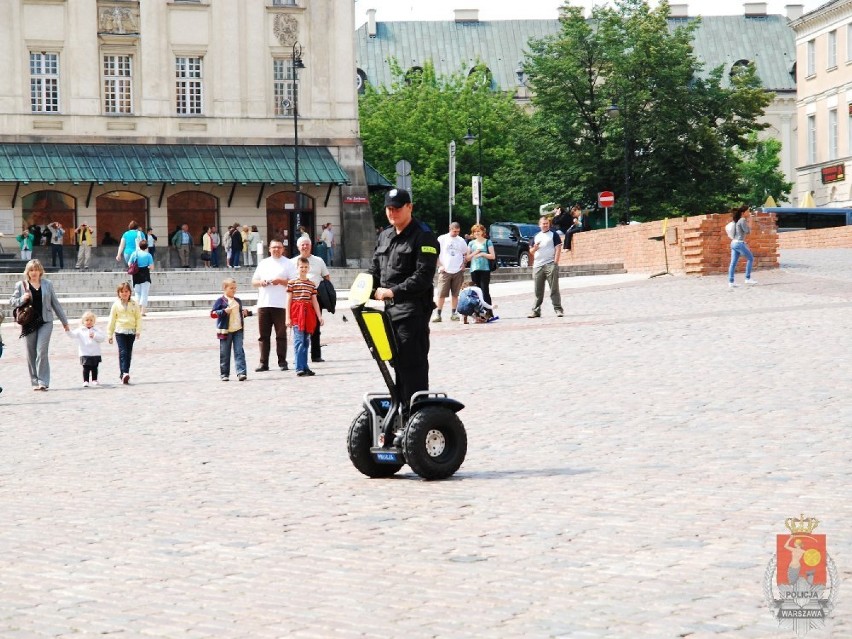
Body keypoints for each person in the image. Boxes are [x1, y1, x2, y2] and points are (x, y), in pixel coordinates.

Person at [367, 188, 438, 407]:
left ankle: (416, 413)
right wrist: (364, 287)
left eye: (397, 208)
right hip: (387, 313)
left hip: (412, 311)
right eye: (389, 209)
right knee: (395, 362)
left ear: (410, 207)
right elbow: (374, 270)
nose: (392, 213)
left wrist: (393, 291)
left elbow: (423, 276)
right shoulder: (385, 235)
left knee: (412, 364)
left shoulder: (423, 236)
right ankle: (400, 409)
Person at [10, 259, 70, 390]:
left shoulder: (47, 284)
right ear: (28, 272)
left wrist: (64, 321)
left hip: (46, 321)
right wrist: (22, 299)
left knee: (41, 350)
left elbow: (55, 303)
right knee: (31, 353)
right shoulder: (21, 285)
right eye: (31, 270)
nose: (34, 272)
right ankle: (35, 381)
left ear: (40, 271)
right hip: (28, 322)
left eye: (36, 269)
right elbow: (12, 301)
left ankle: (43, 381)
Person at [251, 239, 296, 372]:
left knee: (281, 335)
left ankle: (282, 361)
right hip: (264, 303)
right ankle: (263, 362)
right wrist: (262, 282)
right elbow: (254, 281)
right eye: (274, 247)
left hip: (281, 304)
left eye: (279, 247)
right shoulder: (264, 263)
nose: (276, 249)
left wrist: (280, 281)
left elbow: (294, 282)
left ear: (283, 249)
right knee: (263, 335)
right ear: (269, 249)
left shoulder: (288, 263)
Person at [289, 236, 331, 363]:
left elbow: (326, 277)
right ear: (298, 247)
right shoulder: (292, 262)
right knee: (299, 328)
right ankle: (299, 357)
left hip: (315, 296)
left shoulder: (319, 260)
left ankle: (316, 355)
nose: (305, 247)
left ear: (311, 246)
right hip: (298, 299)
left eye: (307, 244)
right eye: (302, 245)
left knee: (315, 327)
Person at [286, 256, 324, 377]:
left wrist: (319, 316)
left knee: (306, 341)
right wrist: (288, 317)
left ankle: (305, 366)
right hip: (297, 313)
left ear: (309, 268)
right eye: (301, 267)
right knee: (299, 341)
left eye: (305, 267)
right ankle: (299, 367)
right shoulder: (292, 283)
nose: (303, 269)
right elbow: (288, 301)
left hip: (308, 314)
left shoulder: (311, 284)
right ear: (297, 268)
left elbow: (315, 301)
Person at [210, 277, 252, 382]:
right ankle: (224, 374)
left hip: (238, 329)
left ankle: (241, 372)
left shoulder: (238, 301)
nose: (234, 290)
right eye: (231, 288)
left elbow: (238, 313)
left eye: (235, 288)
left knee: (239, 351)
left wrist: (245, 313)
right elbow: (213, 314)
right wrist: (223, 311)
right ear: (225, 288)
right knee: (225, 352)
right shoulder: (220, 301)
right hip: (225, 331)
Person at [432, 222, 469, 323]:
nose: (456, 233)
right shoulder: (442, 239)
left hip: (457, 270)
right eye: (454, 231)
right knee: (441, 294)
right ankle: (438, 314)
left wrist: (464, 264)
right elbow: (434, 253)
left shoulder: (461, 240)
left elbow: (465, 253)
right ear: (450, 229)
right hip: (445, 270)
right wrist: (440, 265)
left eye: (458, 231)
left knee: (455, 294)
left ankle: (454, 313)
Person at [528, 216, 564, 318]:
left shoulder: (554, 235)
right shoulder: (536, 236)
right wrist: (534, 248)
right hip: (538, 265)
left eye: (546, 223)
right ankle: (536, 311)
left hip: (550, 264)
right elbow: (531, 251)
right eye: (543, 223)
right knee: (537, 290)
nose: (545, 225)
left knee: (554, 288)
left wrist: (555, 263)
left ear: (549, 224)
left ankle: (558, 309)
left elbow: (558, 249)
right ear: (539, 225)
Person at [107, 281, 142, 384]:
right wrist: (110, 334)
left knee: (128, 353)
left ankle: (124, 374)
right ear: (118, 293)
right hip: (120, 331)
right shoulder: (116, 305)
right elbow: (112, 319)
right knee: (123, 352)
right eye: (122, 292)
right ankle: (125, 373)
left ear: (130, 292)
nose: (124, 293)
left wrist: (138, 330)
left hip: (131, 332)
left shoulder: (134, 304)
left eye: (126, 291)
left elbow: (138, 318)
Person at [67, 311, 106, 387]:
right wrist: (67, 330)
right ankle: (86, 381)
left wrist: (95, 336)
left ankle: (94, 379)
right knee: (86, 367)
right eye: (87, 320)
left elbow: (102, 338)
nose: (89, 322)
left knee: (95, 367)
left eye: (91, 320)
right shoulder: (80, 330)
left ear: (94, 321)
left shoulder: (96, 330)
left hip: (95, 352)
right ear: (83, 321)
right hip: (84, 352)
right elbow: (72, 335)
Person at [465, 224, 496, 318]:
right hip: (474, 269)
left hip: (485, 269)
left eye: (478, 231)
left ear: (483, 232)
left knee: (484, 290)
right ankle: (478, 311)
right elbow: (467, 258)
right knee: (476, 291)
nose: (477, 233)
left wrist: (482, 254)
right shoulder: (471, 243)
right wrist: (475, 253)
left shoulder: (488, 242)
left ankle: (489, 311)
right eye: (475, 232)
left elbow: (492, 256)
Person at [727, 205, 758, 288]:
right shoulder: (742, 220)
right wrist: (751, 221)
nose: (749, 212)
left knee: (733, 263)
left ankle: (731, 282)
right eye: (748, 211)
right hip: (739, 243)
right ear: (743, 213)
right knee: (750, 258)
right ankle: (748, 279)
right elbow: (747, 231)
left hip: (733, 243)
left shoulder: (737, 220)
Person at [129, 240, 155, 315]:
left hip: (136, 275)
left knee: (137, 293)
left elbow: (129, 263)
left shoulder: (134, 253)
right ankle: (143, 311)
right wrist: (148, 267)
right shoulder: (148, 255)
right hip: (145, 274)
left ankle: (137, 310)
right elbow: (152, 267)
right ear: (146, 247)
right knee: (144, 292)